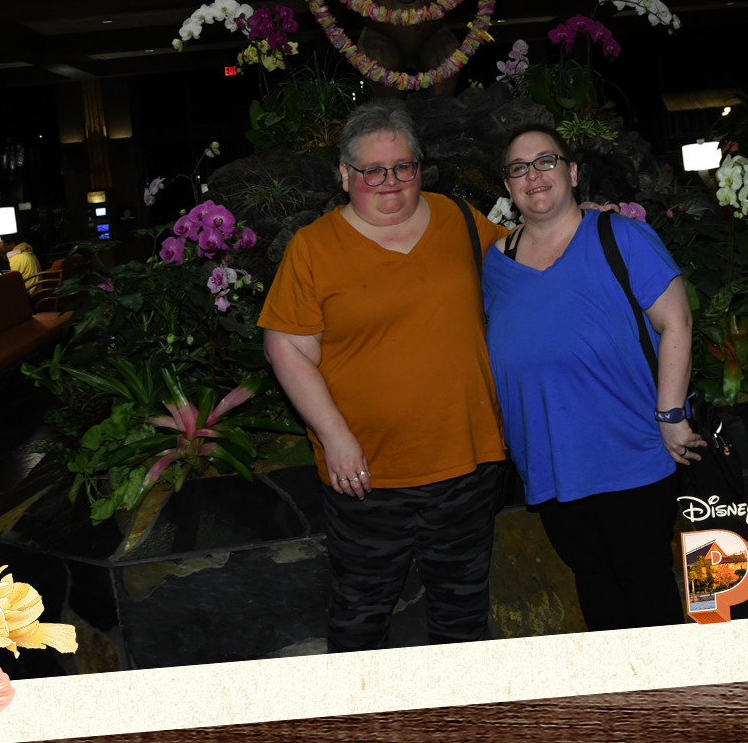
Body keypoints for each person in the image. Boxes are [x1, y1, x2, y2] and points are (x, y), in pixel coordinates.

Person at [258, 102, 510, 652]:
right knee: (360, 612)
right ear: (345, 176)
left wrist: (580, 218)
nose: (390, 182)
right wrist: (335, 436)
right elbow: (287, 347)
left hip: (466, 461)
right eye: (373, 170)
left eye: (403, 167)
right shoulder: (313, 249)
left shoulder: (460, 220)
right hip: (366, 473)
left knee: (463, 612)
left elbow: (529, 262)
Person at [481, 124, 703, 631]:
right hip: (551, 464)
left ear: (573, 171)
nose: (533, 175)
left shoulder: (619, 235)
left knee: (645, 591)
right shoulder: (495, 263)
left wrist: (671, 414)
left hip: (630, 456)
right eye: (519, 168)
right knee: (595, 590)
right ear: (509, 187)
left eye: (546, 161)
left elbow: (677, 322)